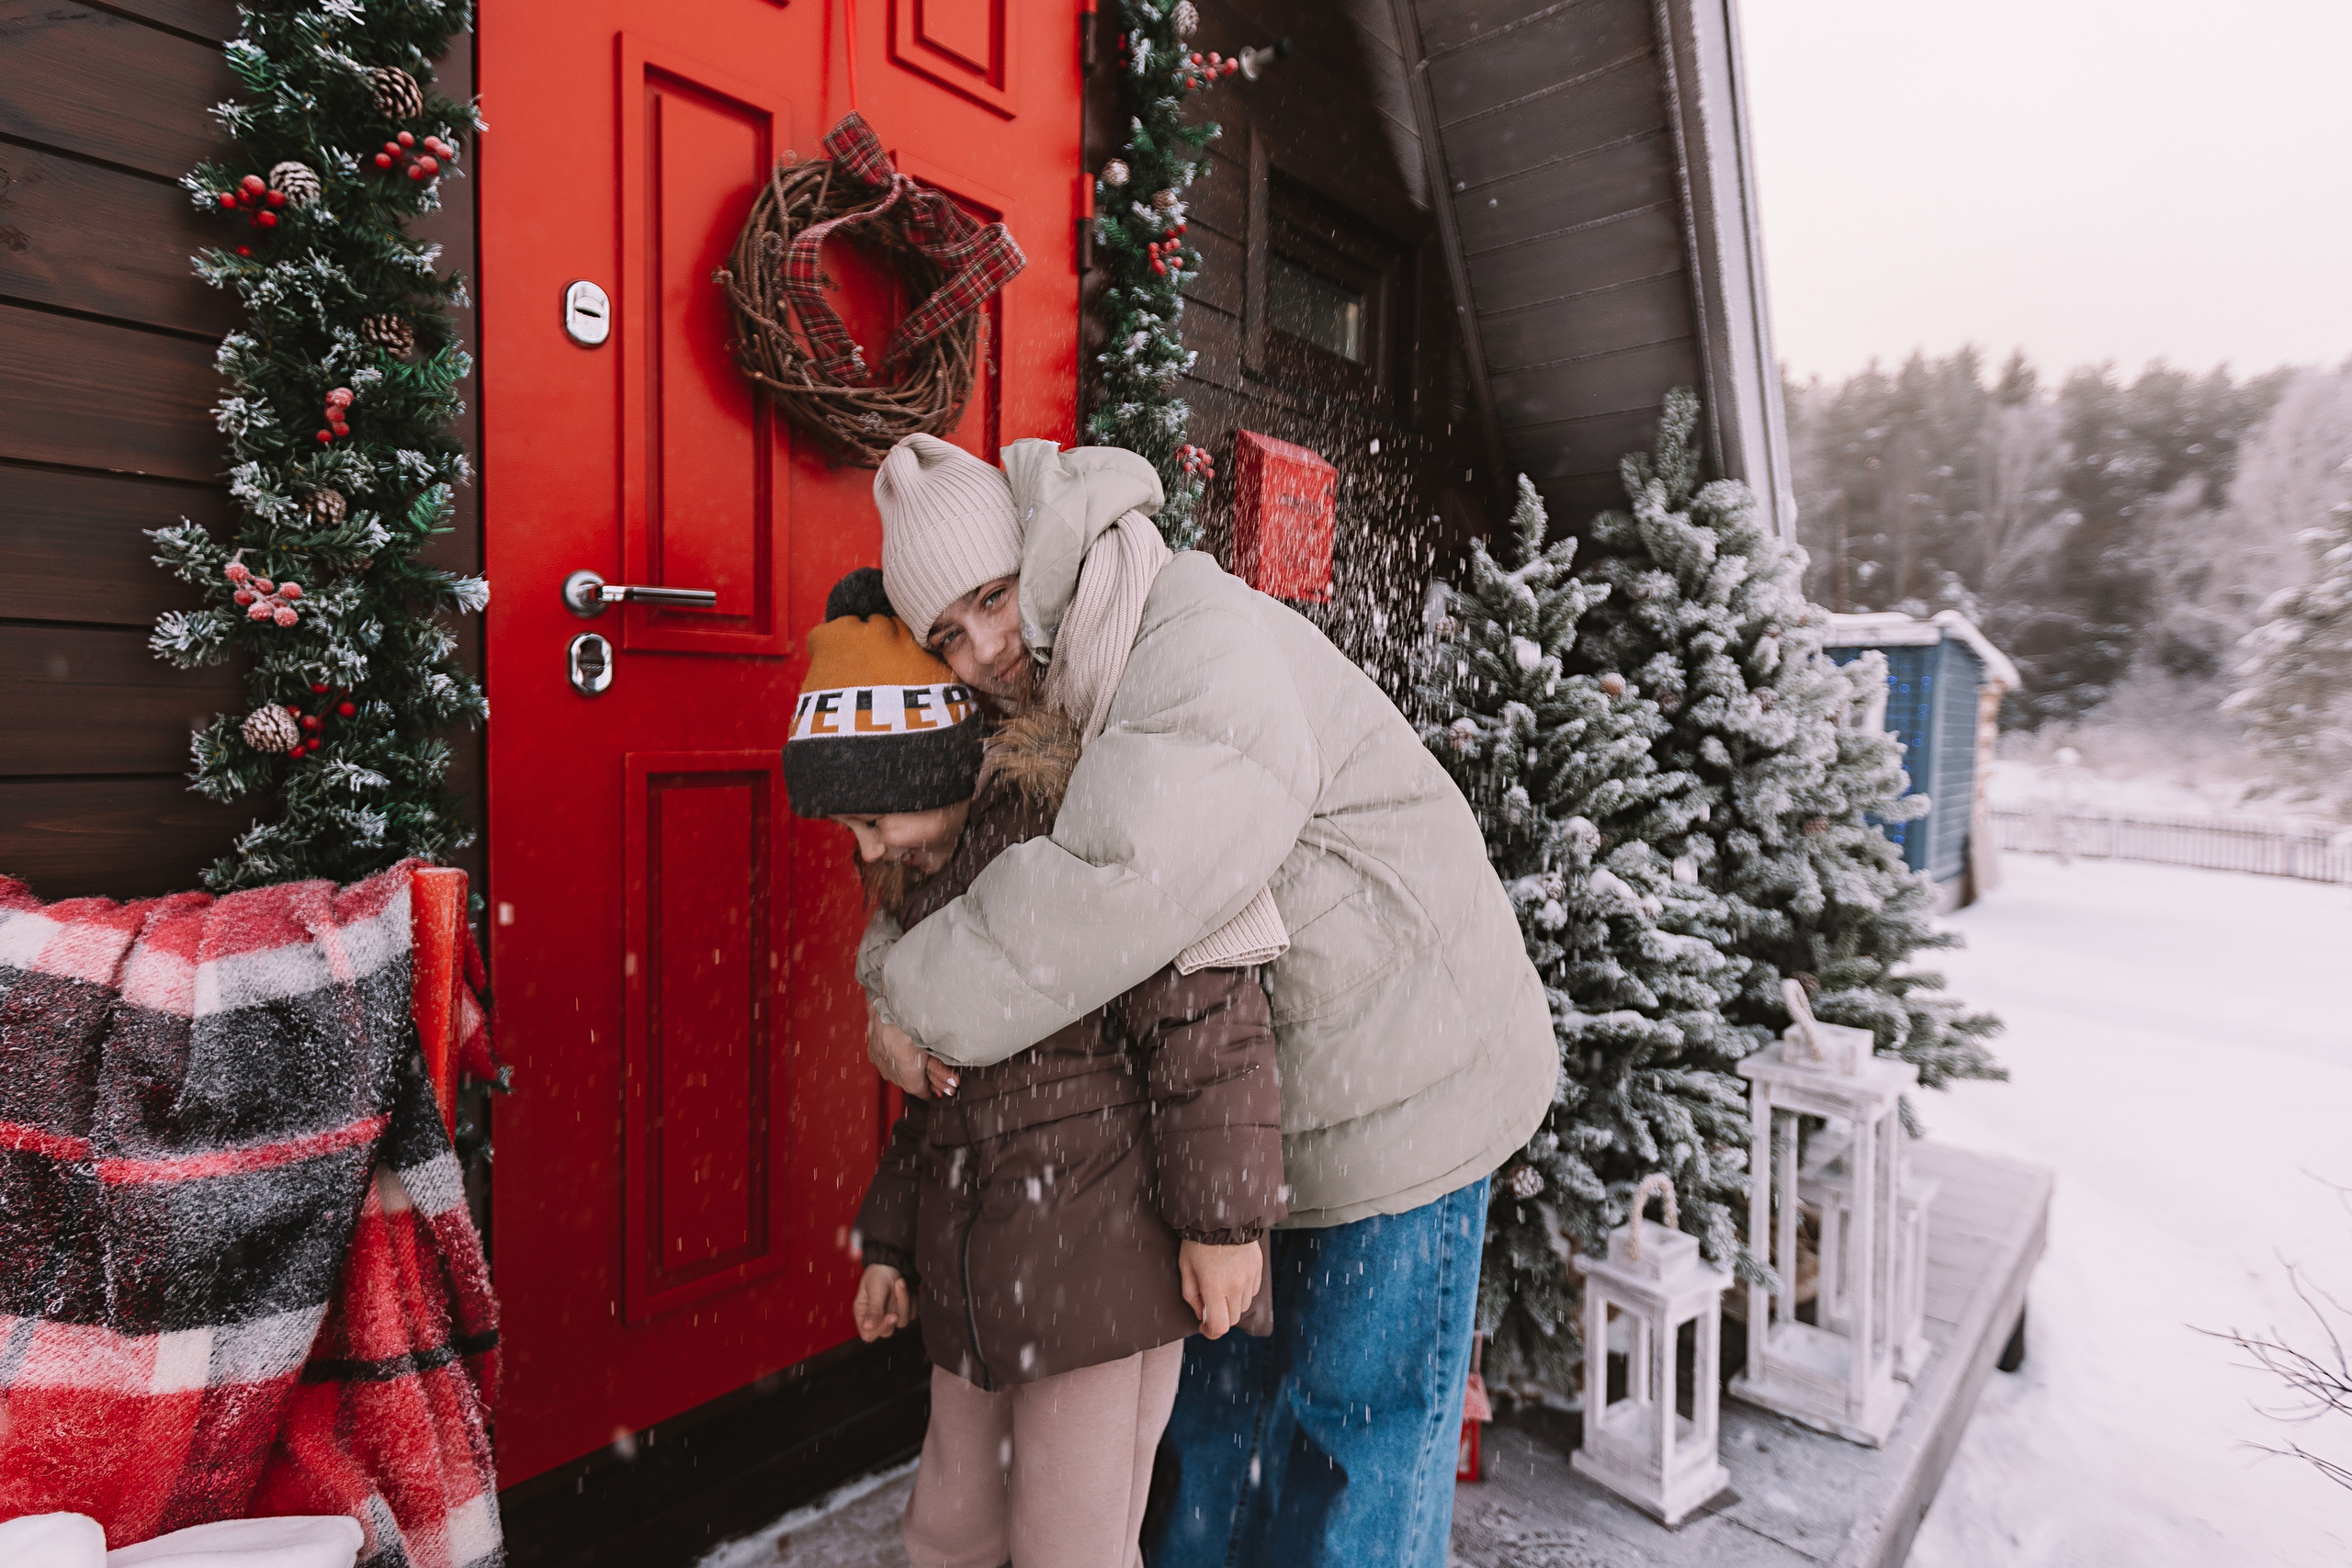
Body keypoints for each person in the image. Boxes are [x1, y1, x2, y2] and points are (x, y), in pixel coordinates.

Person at [857, 434, 1556, 1567]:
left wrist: (906, 1003)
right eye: (946, 633)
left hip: (1409, 1073)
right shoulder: (1073, 674)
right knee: (1217, 1439)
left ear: (1038, 557)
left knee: (1355, 1439)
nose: (979, 649)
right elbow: (963, 865)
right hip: (1265, 1103)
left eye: (989, 598)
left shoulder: (1185, 644)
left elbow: (1104, 894)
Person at [785, 569, 1285, 1568]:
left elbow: (1207, 1024)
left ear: (938, 778)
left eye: (877, 823)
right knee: (951, 1518)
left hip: (1103, 1269)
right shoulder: (927, 907)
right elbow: (936, 1102)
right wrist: (891, 1243)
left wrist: (1222, 1224)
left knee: (1074, 1535)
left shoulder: (1077, 857)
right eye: (850, 833)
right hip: (980, 1266)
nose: (866, 852)